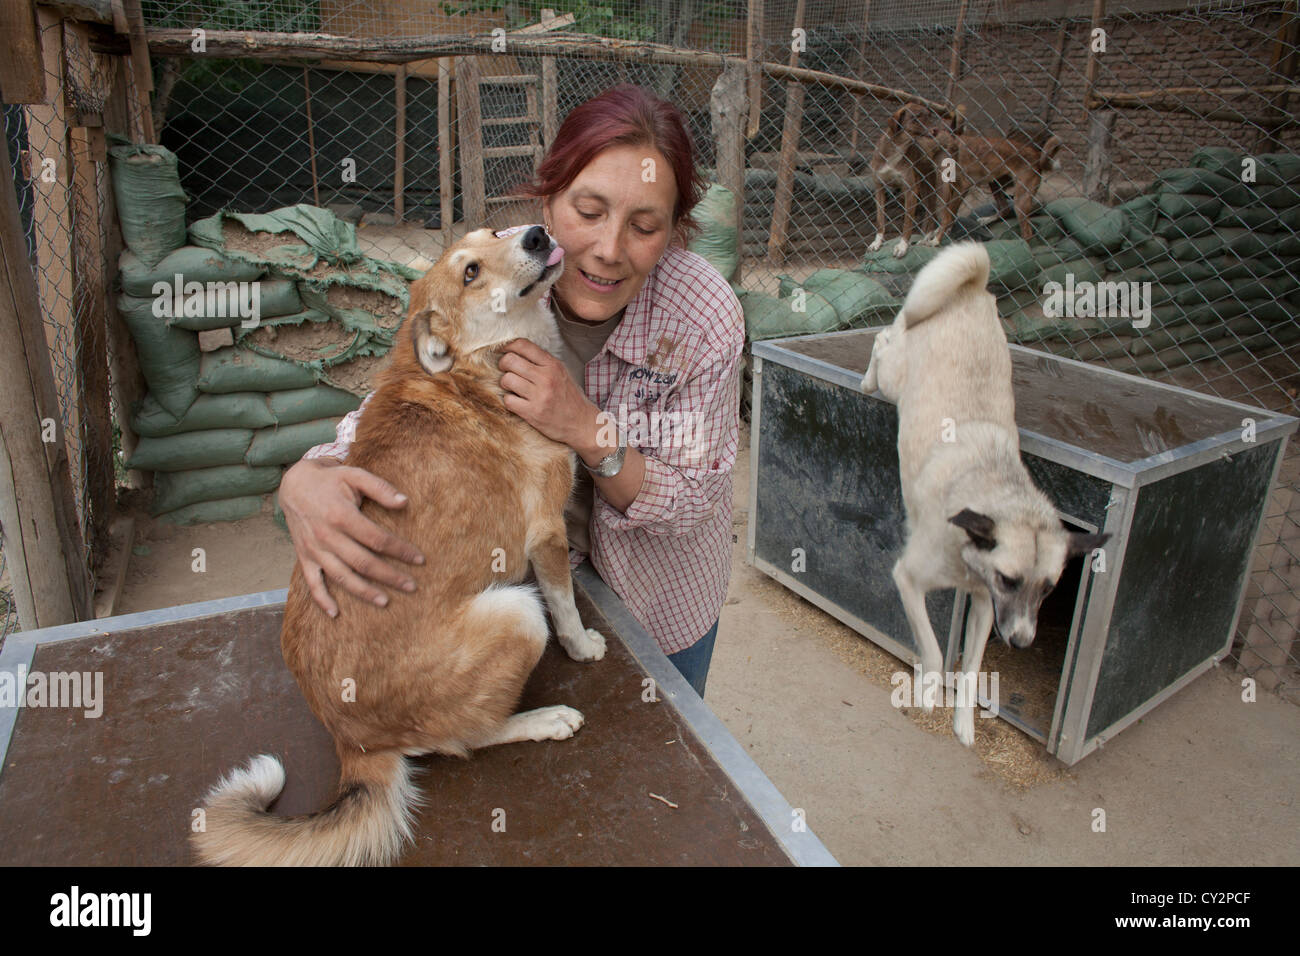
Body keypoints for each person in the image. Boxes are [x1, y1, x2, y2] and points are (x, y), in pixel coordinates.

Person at [278, 84, 745, 698]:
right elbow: (416, 399)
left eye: (644, 225)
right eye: (588, 211)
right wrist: (307, 476)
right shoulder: (506, 270)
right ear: (547, 201)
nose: (607, 251)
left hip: (661, 596)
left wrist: (585, 428)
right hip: (529, 586)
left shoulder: (702, 317)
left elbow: (689, 501)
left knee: (672, 750)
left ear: (675, 232)